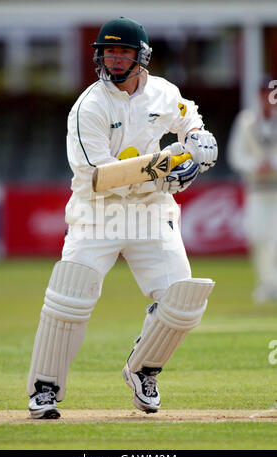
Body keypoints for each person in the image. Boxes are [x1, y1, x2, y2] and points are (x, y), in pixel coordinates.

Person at [27, 17, 217, 419]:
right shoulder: (89, 107)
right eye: (107, 51)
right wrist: (165, 166)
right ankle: (44, 389)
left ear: (141, 56)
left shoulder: (163, 93)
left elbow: (187, 116)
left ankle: (143, 369)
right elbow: (101, 177)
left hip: (150, 211)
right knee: (70, 296)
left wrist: (196, 139)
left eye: (122, 51)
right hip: (98, 213)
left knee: (182, 301)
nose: (113, 59)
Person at [228, 78, 277, 303]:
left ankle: (272, 285)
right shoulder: (246, 121)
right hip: (257, 190)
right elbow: (236, 155)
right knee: (257, 237)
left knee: (275, 240)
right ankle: (266, 284)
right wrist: (255, 166)